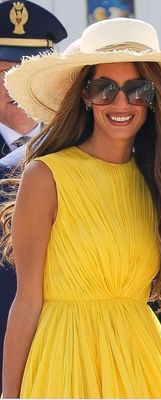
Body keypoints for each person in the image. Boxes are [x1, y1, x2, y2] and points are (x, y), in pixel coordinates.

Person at [0, 17, 161, 398]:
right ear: (85, 96)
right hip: (65, 364)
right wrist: (9, 395)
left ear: (153, 97)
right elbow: (26, 303)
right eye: (104, 88)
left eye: (137, 89)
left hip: (141, 362)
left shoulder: (159, 185)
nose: (121, 102)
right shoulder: (46, 176)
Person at [0, 0, 67, 394]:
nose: (16, 86)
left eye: (27, 74)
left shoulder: (82, 150)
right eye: (5, 72)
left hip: (73, 357)